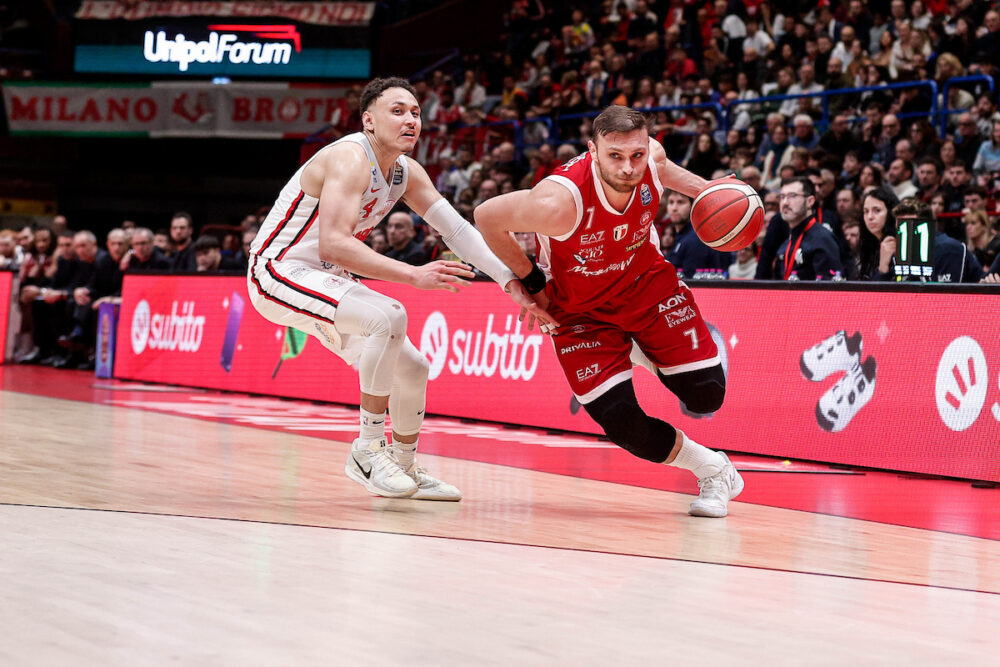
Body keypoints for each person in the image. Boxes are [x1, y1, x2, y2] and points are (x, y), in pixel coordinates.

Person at [246, 77, 549, 502]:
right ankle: (367, 450)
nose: (410, 119)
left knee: (413, 368)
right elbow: (334, 242)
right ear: (368, 120)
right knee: (388, 315)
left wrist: (511, 281)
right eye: (398, 111)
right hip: (279, 269)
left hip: (326, 275)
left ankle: (404, 464)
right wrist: (412, 274)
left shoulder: (405, 172)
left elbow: (457, 231)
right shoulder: (350, 158)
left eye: (416, 113)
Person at [475, 105, 745, 518]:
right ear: (593, 150)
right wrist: (531, 280)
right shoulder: (558, 202)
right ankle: (713, 469)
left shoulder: (649, 157)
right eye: (615, 156)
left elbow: (663, 167)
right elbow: (487, 217)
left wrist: (710, 191)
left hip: (647, 290)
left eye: (636, 155)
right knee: (624, 425)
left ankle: (637, 347)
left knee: (706, 395)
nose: (627, 167)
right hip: (579, 311)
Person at [774, 177, 844, 281]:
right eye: (782, 197)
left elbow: (830, 290)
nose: (785, 202)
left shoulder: (823, 239)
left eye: (792, 196)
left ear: (810, 201)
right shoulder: (787, 242)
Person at [856, 188, 899, 281]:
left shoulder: (897, 245)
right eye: (866, 211)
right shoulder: (868, 246)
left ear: (891, 212)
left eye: (877, 210)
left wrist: (883, 269)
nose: (870, 217)